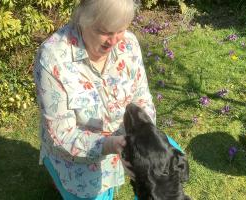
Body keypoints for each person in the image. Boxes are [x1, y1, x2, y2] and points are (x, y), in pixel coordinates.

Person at [33, 0, 156, 199]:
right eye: (105, 31)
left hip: (127, 143)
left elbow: (142, 98)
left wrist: (143, 138)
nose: (114, 40)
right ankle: (60, 182)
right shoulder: (52, 57)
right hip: (77, 163)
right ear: (83, 19)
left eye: (121, 30)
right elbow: (61, 134)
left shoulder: (129, 43)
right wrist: (112, 145)